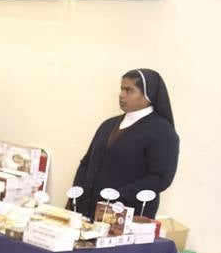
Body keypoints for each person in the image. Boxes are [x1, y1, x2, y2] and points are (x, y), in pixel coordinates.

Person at [72, 68, 178, 219]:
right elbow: (86, 163)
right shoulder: (108, 125)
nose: (121, 95)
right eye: (121, 89)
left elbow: (161, 177)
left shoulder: (161, 131)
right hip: (88, 210)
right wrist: (77, 194)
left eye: (129, 91)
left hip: (127, 215)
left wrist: (118, 196)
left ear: (147, 95)